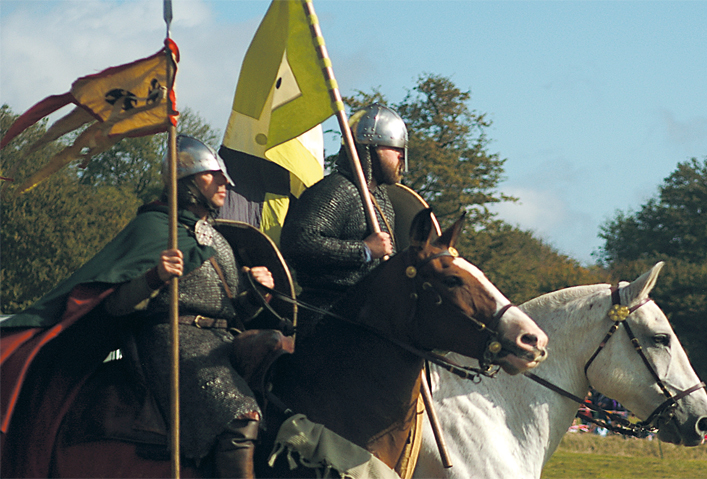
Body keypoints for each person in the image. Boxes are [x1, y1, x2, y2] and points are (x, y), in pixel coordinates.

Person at [1, 135, 274, 478]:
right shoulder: (154, 227)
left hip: (224, 344)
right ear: (186, 182)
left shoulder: (215, 237)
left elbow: (234, 312)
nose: (225, 182)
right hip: (174, 342)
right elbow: (114, 305)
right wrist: (155, 277)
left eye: (224, 176)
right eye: (212, 175)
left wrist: (257, 293)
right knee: (238, 415)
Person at [280, 103, 407, 343]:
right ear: (369, 150)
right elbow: (299, 242)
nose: (401, 155)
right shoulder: (337, 189)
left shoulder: (382, 201)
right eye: (394, 148)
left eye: (402, 149)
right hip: (325, 317)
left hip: (368, 318)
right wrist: (365, 251)